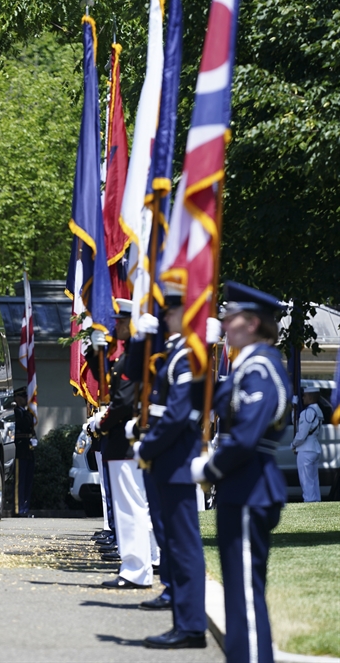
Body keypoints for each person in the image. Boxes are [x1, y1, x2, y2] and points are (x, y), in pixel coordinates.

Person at [193, 281, 290, 663]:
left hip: (251, 486)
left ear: (251, 322)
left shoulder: (261, 366)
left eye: (230, 316)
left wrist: (209, 467)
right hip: (242, 487)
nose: (224, 322)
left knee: (245, 594)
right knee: (239, 590)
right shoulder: (248, 362)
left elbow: (246, 435)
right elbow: (213, 397)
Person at [129, 286, 207, 649]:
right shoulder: (176, 354)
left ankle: (190, 625)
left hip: (175, 459)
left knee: (184, 546)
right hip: (168, 460)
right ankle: (184, 622)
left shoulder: (187, 356)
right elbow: (142, 382)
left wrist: (148, 444)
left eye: (171, 312)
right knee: (175, 545)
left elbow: (176, 415)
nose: (165, 318)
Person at [85, 298, 155, 589]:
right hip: (127, 442)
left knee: (130, 509)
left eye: (121, 322)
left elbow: (124, 401)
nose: (117, 326)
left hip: (124, 443)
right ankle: (143, 563)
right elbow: (110, 376)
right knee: (137, 507)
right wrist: (95, 354)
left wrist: (100, 423)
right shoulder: (129, 357)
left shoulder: (134, 358)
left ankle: (136, 570)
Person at [292, 386, 323, 502]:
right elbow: (299, 424)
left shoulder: (308, 412)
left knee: (306, 482)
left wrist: (293, 444)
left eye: (304, 396)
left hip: (306, 449)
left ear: (309, 397)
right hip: (314, 448)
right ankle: (316, 504)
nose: (303, 398)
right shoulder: (318, 410)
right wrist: (293, 410)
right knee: (314, 481)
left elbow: (301, 434)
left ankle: (309, 504)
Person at [12, 386, 37, 516]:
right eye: (22, 397)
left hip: (27, 450)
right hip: (19, 450)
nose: (26, 399)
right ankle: (18, 508)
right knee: (19, 481)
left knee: (27, 481)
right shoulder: (16, 412)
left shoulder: (27, 412)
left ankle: (25, 507)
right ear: (16, 398)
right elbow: (22, 425)